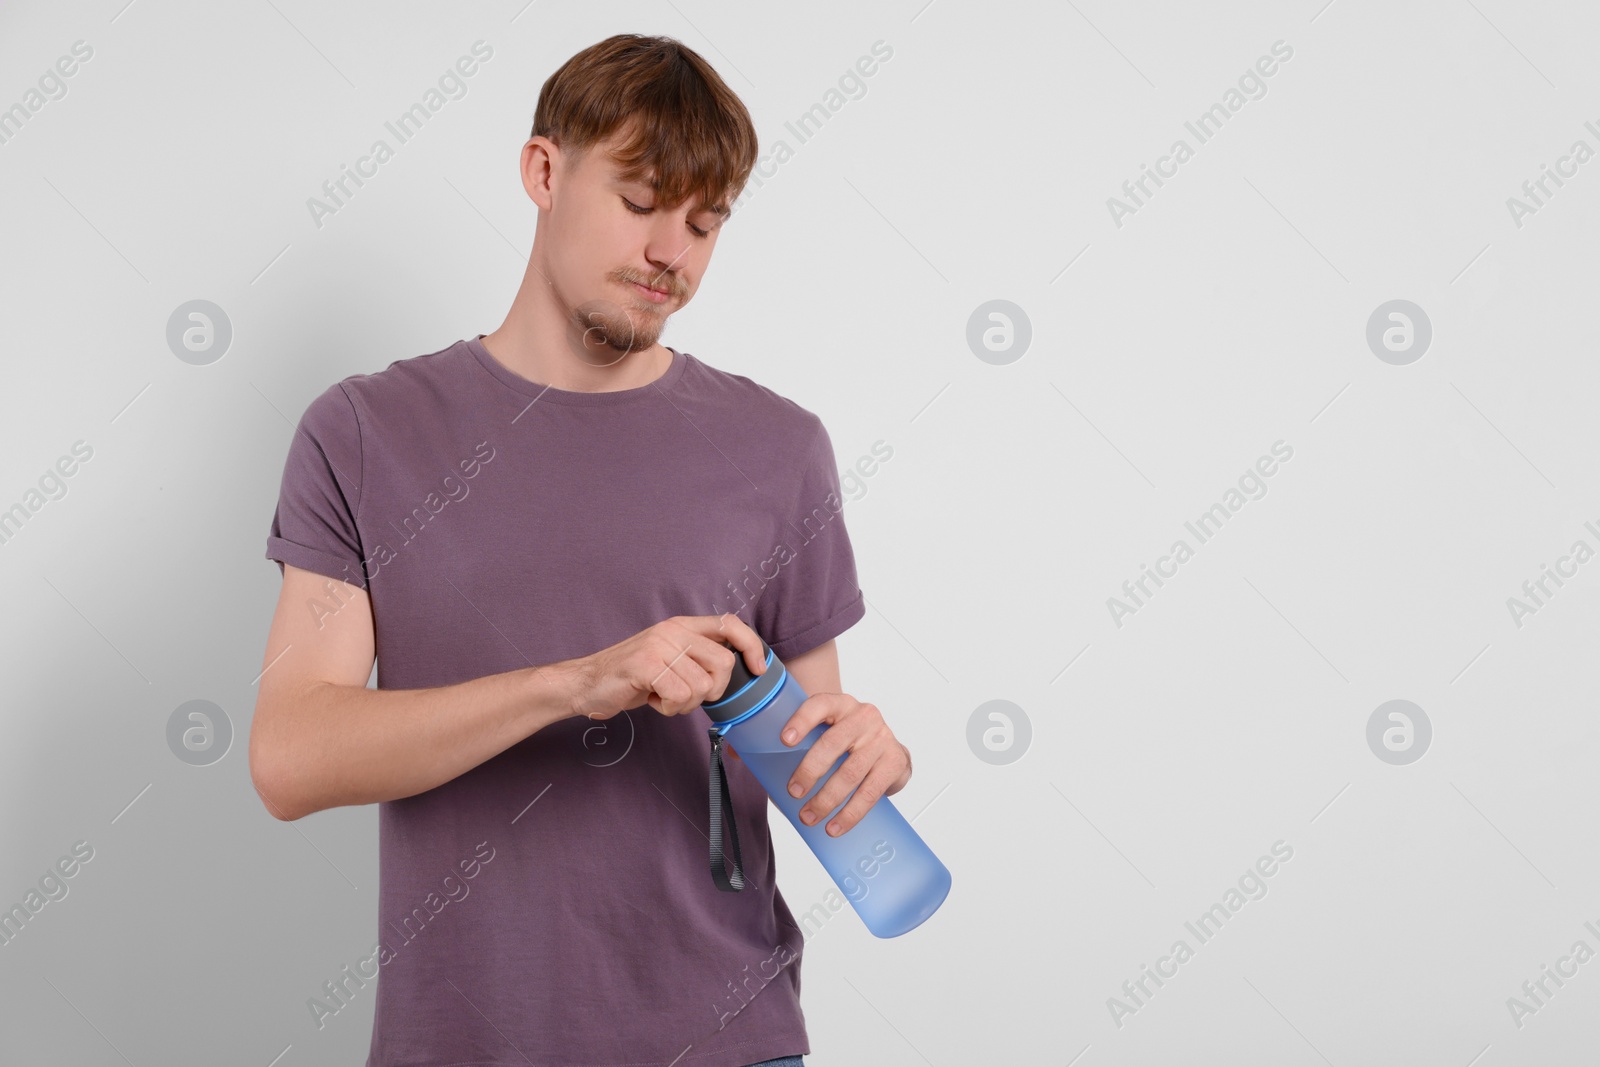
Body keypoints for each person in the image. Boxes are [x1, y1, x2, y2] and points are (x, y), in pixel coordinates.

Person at [251, 33, 914, 1067]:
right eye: (642, 202)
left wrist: (865, 758)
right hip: (461, 1039)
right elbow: (290, 757)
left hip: (724, 1039)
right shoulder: (367, 432)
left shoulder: (778, 449)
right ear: (543, 171)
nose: (672, 255)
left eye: (704, 223)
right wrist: (576, 682)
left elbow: (809, 762)